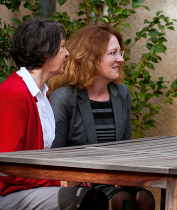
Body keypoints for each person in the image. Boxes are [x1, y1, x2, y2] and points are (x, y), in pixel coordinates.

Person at [0, 18, 108, 210]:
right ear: (45, 53)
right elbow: (7, 166)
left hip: (29, 188)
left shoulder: (41, 94)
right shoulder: (13, 94)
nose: (67, 54)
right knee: (91, 199)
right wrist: (58, 181)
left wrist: (72, 176)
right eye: (62, 47)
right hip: (8, 194)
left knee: (93, 195)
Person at [48, 24, 155, 210]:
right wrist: (81, 175)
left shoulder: (122, 93)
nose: (120, 59)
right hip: (81, 178)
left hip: (115, 175)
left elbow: (125, 146)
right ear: (90, 58)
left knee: (145, 198)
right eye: (113, 53)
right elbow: (55, 154)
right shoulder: (64, 98)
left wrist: (122, 172)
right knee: (119, 200)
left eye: (120, 53)